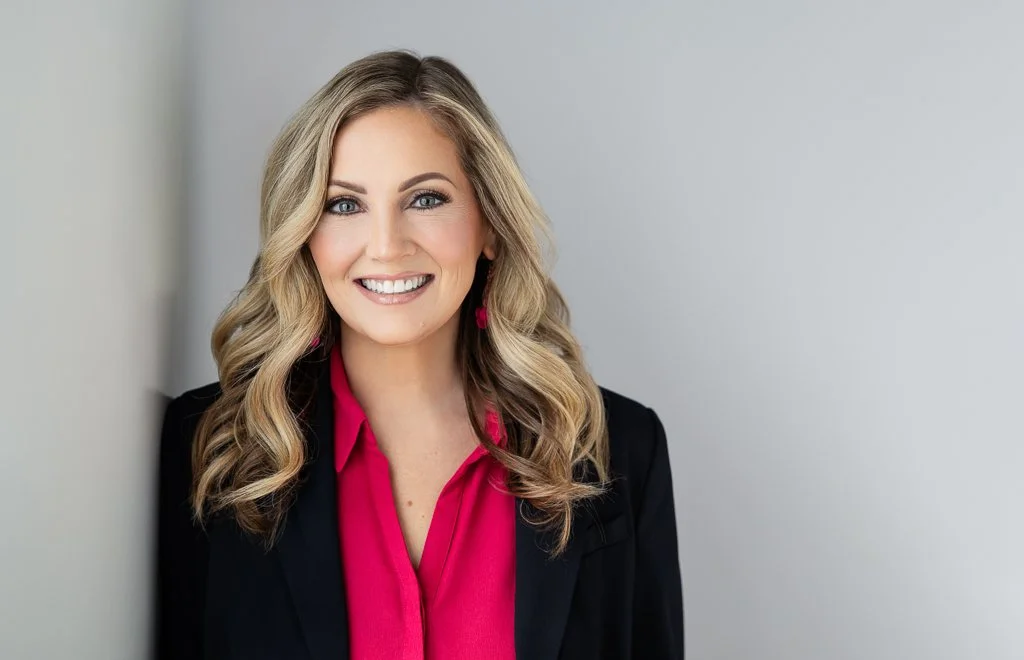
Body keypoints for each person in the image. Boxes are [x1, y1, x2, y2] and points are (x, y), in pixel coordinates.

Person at [156, 49, 684, 660]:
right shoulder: (216, 448)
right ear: (303, 234)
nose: (386, 246)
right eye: (344, 204)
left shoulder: (617, 449)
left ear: (489, 225)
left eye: (426, 199)